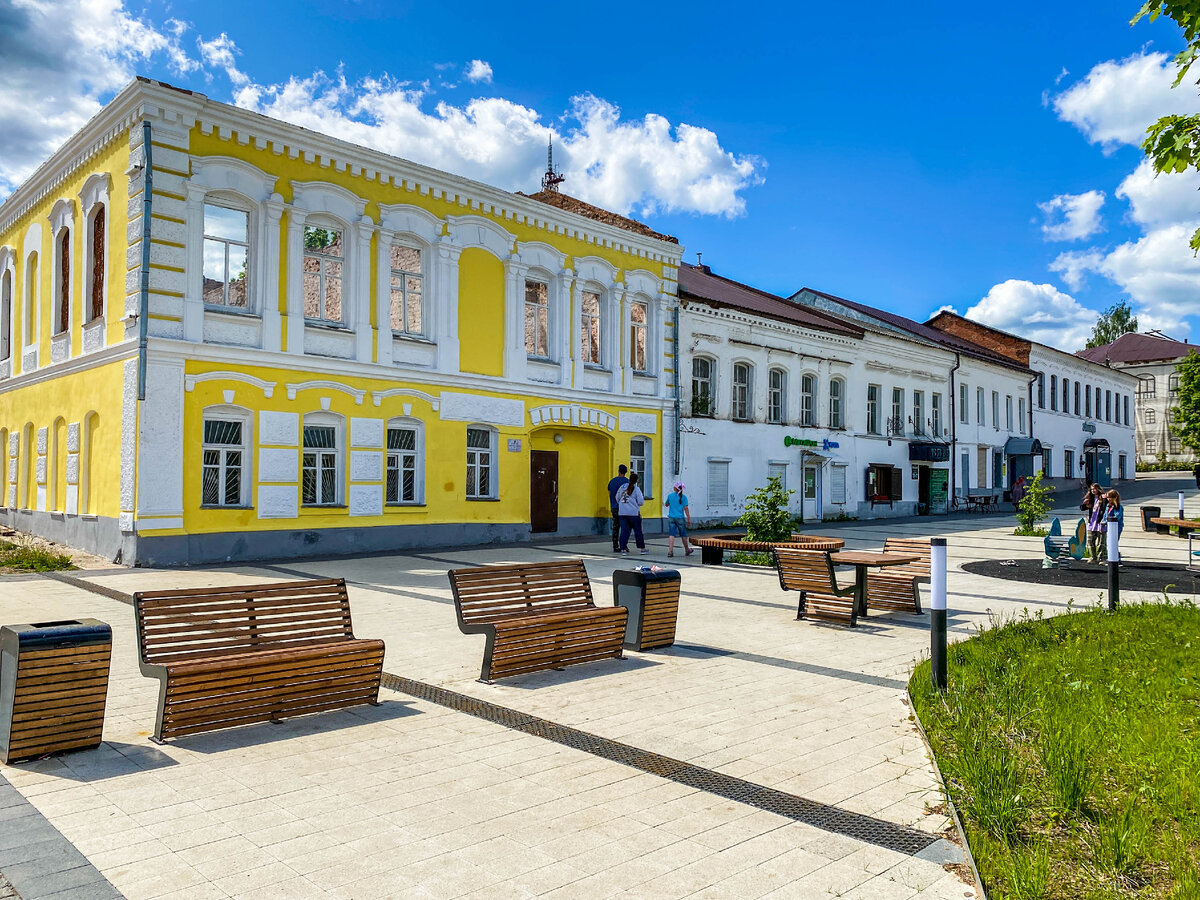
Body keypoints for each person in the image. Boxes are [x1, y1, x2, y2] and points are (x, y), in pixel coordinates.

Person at [616, 472, 647, 554]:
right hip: (633, 513)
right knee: (638, 531)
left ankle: (623, 549)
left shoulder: (622, 487)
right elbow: (641, 502)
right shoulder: (636, 489)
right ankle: (642, 549)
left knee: (624, 531)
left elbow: (617, 498)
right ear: (636, 481)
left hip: (622, 513)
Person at [664, 481, 694, 558]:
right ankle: (687, 550)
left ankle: (670, 551)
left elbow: (666, 504)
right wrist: (689, 518)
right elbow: (686, 508)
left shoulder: (670, 496)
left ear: (675, 488)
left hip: (671, 517)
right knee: (683, 535)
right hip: (680, 518)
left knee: (671, 535)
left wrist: (667, 504)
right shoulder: (684, 498)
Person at [606, 464, 629, 553]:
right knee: (625, 527)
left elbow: (609, 492)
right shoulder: (627, 482)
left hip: (614, 507)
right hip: (624, 507)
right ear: (625, 472)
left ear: (618, 471)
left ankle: (615, 546)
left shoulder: (612, 481)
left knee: (615, 526)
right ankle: (624, 545)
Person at [1085, 483, 1108, 563]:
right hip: (1092, 522)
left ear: (1098, 489)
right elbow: (1083, 508)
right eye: (1091, 489)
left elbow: (1105, 507)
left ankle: (1101, 557)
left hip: (1100, 522)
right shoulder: (1091, 498)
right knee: (1090, 541)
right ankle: (1093, 557)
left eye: (1094, 489)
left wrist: (1105, 499)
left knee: (1101, 542)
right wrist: (1085, 504)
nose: (1093, 491)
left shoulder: (1103, 498)